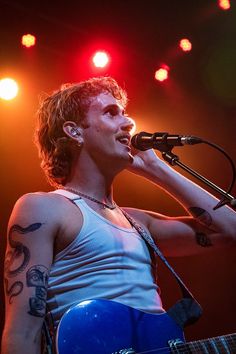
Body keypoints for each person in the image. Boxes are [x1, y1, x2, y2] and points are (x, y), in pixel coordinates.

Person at [2, 76, 236, 354]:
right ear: (74, 132)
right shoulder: (44, 208)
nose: (128, 123)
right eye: (111, 113)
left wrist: (157, 170)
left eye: (124, 113)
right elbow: (21, 332)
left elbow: (229, 230)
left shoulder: (139, 222)